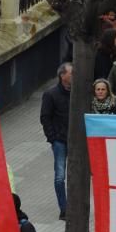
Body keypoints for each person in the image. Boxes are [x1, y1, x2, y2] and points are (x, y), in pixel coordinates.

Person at [39, 62, 71, 218]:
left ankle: (74, 204)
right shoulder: (51, 94)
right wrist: (52, 138)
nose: (74, 76)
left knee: (76, 174)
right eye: (71, 74)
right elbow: (45, 117)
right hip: (59, 140)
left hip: (75, 140)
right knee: (59, 176)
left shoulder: (78, 93)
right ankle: (63, 208)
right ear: (62, 76)